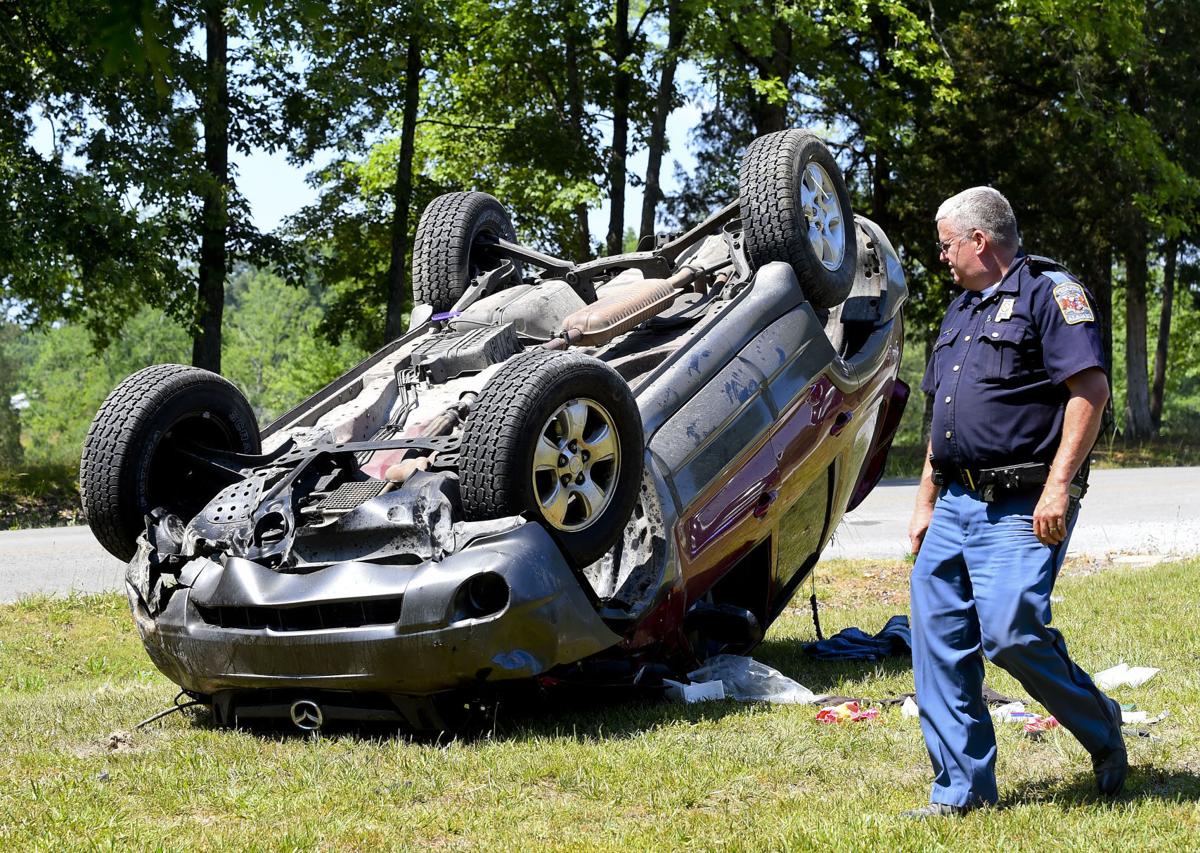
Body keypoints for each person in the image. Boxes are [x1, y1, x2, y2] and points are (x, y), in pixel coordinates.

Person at [904, 187, 1125, 817]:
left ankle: (1101, 725)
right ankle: (963, 791)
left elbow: (1090, 390)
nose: (941, 256)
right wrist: (924, 503)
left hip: (1022, 503)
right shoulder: (959, 312)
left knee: (1011, 633)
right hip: (953, 504)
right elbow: (939, 417)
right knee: (938, 642)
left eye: (947, 244)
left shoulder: (1050, 294)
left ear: (979, 240)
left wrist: (1058, 487)